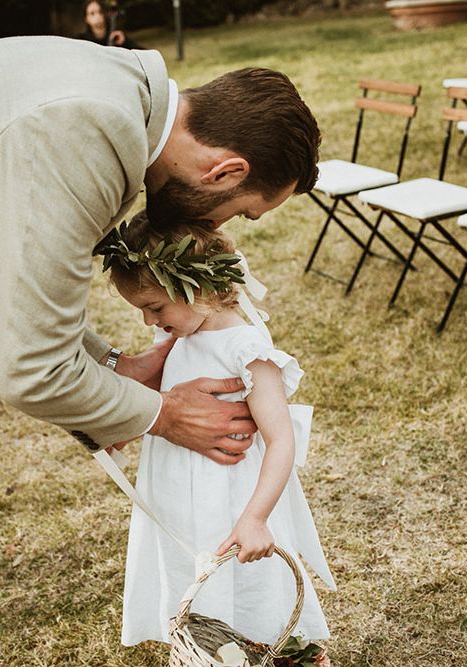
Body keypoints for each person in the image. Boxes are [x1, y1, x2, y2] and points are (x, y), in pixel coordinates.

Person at [0, 37, 320, 665]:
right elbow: (33, 372)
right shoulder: (83, 128)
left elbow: (6, 265)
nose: (227, 230)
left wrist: (116, 367)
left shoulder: (115, 98)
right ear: (224, 171)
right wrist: (167, 415)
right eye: (243, 212)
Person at [92, 213, 335, 646]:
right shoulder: (176, 340)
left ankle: (275, 647)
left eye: (155, 308)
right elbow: (165, 407)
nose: (149, 322)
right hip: (176, 497)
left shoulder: (246, 349)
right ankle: (202, 644)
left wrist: (256, 518)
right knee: (192, 574)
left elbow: (281, 440)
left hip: (231, 501)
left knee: (245, 584)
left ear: (196, 287)